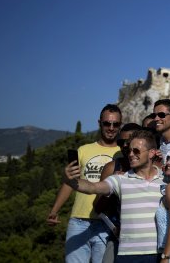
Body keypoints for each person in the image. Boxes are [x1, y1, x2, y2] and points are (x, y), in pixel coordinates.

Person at [65, 129, 165, 263]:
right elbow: (92, 187)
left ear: (152, 153)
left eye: (136, 151)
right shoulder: (120, 180)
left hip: (158, 254)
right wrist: (70, 180)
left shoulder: (165, 180)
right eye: (129, 150)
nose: (130, 154)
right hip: (128, 255)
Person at [47, 104, 122, 263]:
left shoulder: (123, 154)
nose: (111, 127)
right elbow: (70, 183)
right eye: (107, 123)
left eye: (115, 124)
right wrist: (55, 210)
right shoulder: (84, 150)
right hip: (78, 221)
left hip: (107, 224)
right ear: (99, 123)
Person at [95, 123, 141, 263]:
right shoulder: (112, 167)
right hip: (118, 238)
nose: (125, 146)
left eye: (129, 141)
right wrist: (113, 186)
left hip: (148, 241)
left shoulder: (154, 167)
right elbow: (97, 207)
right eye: (121, 142)